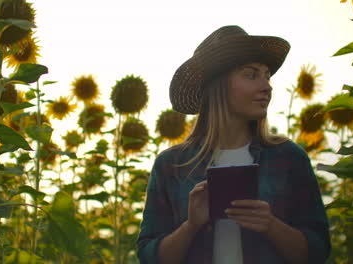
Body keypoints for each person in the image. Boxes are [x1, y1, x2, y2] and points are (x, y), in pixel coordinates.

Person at [136, 25, 331, 264]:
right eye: (251, 75)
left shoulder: (288, 158)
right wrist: (192, 225)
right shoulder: (172, 165)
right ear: (218, 85)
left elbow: (318, 251)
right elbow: (149, 257)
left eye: (267, 75)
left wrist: (270, 225)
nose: (267, 86)